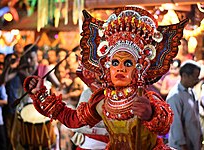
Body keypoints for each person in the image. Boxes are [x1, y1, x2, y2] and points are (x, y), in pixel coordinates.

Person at [23, 6, 187, 149]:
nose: (120, 68)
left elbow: (164, 125)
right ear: (108, 66)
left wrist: (150, 114)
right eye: (115, 62)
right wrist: (41, 94)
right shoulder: (102, 100)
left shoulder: (146, 98)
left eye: (128, 63)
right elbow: (72, 120)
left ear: (140, 67)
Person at [166, 60, 202, 150]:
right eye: (194, 77)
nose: (197, 80)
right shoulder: (175, 96)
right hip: (182, 146)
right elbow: (175, 124)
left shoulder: (191, 91)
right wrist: (182, 145)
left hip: (193, 142)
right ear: (185, 76)